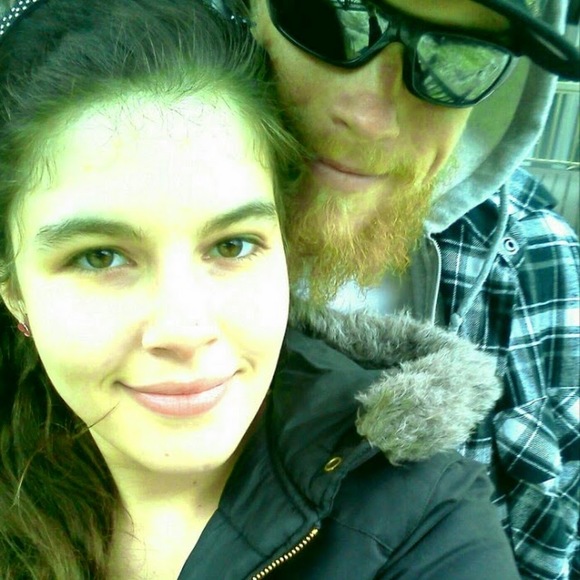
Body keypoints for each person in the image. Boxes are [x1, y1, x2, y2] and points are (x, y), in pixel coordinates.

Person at [0, 0, 521, 578]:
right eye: (100, 257)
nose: (185, 329)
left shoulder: (426, 521)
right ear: (12, 287)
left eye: (232, 245)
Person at [244, 1, 580, 578]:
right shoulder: (93, 245)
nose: (370, 117)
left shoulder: (540, 265)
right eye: (326, 16)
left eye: (458, 56)